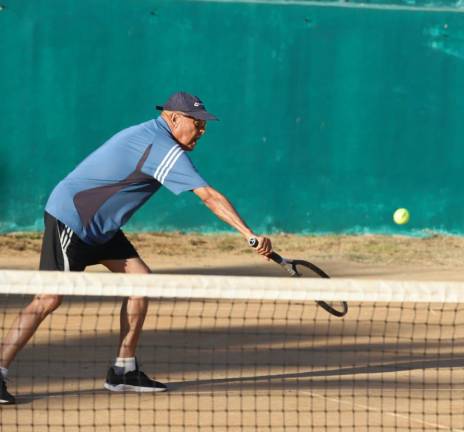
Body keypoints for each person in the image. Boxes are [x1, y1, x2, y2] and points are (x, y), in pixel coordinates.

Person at [0, 92, 273, 404]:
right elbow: (208, 196)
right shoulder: (160, 145)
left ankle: (123, 370)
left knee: (141, 281)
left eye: (204, 125)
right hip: (73, 219)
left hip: (102, 227)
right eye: (196, 124)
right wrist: (248, 234)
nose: (202, 131)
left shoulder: (156, 137)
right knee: (48, 298)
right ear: (174, 118)